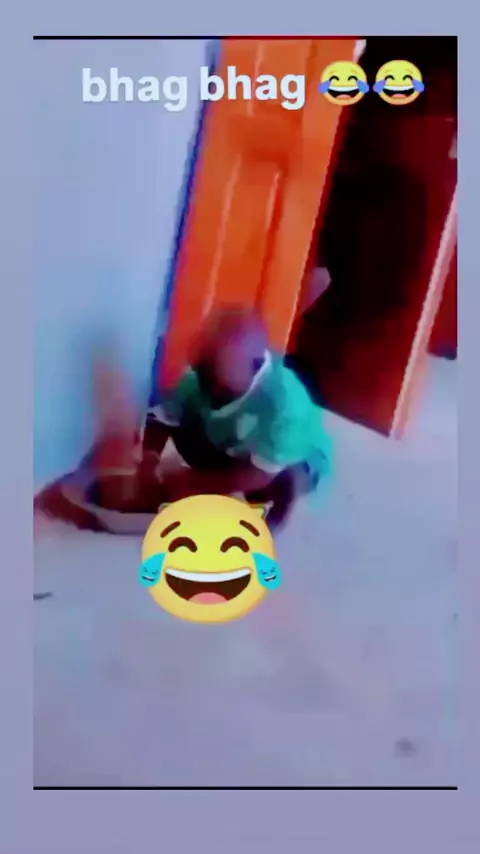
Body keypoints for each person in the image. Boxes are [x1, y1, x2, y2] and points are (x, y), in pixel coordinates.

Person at [35, 307, 330, 534]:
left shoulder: (284, 406)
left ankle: (275, 497)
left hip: (290, 459)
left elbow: (258, 475)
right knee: (187, 427)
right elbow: (163, 416)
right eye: (204, 370)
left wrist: (199, 484)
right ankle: (215, 477)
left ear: (255, 366)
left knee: (276, 484)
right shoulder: (201, 378)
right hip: (232, 442)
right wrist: (149, 459)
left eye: (218, 379)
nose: (207, 384)